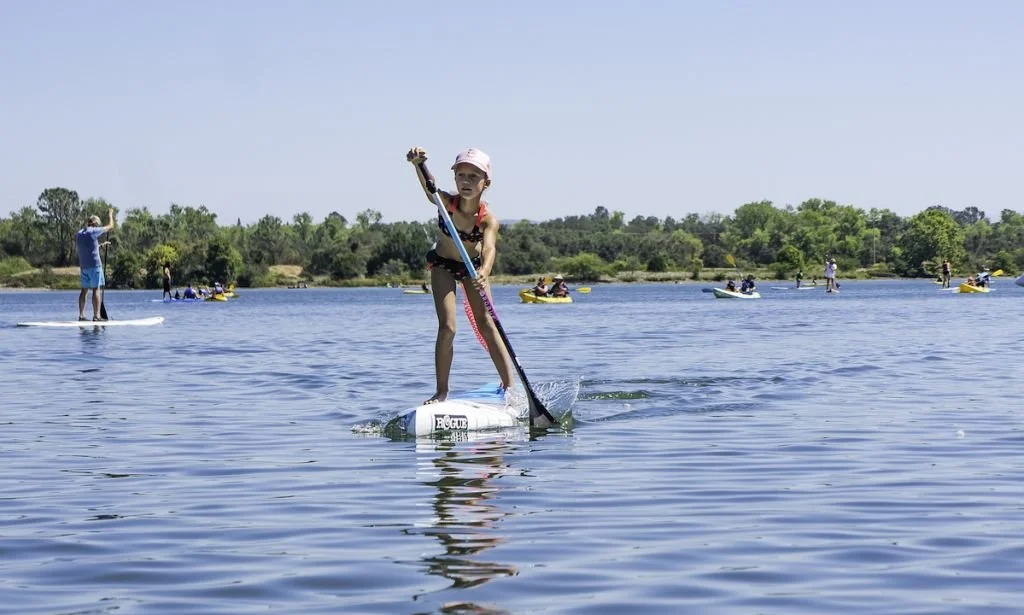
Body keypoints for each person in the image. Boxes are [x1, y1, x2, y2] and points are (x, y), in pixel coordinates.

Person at [408, 146, 515, 405]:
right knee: (447, 328)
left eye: (473, 177)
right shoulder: (447, 204)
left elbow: (489, 248)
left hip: (473, 268)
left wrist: (484, 271)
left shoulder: (488, 219)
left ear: (486, 183)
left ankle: (510, 388)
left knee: (487, 325)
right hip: (443, 265)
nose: (466, 181)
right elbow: (428, 188)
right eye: (461, 175)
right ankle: (441, 392)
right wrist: (418, 165)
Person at [76, 209, 115, 321]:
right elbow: (110, 226)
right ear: (95, 223)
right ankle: (96, 316)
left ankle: (81, 315)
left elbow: (88, 248)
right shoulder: (93, 231)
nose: (98, 226)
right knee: (96, 289)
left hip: (84, 267)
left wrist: (101, 245)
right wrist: (110, 215)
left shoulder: (79, 234)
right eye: (98, 224)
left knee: (84, 290)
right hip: (94, 266)